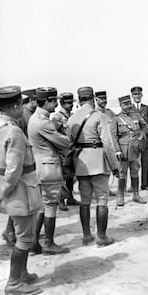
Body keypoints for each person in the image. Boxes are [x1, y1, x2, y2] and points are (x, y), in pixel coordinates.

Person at [0, 85, 43, 295]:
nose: (22, 108)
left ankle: (22, 274)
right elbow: (13, 171)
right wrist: (4, 192)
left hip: (15, 190)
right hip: (20, 191)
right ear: (15, 106)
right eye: (20, 105)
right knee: (24, 238)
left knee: (24, 235)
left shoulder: (0, 126)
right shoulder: (13, 131)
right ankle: (14, 283)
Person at [66, 87, 120, 247]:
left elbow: (69, 143)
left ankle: (86, 236)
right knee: (102, 199)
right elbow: (108, 144)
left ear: (79, 99)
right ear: (93, 98)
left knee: (85, 200)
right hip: (97, 162)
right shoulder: (99, 116)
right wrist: (115, 166)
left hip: (81, 163)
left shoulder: (72, 118)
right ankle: (101, 237)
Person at [28, 87, 70, 255]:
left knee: (42, 207)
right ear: (46, 102)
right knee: (51, 206)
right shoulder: (43, 121)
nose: (55, 104)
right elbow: (65, 142)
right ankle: (49, 243)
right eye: (53, 101)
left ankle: (34, 242)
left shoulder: (35, 118)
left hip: (40, 166)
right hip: (49, 167)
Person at [110, 95, 148, 206]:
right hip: (123, 151)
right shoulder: (116, 119)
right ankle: (120, 196)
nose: (127, 106)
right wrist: (117, 150)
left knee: (135, 171)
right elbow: (114, 137)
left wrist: (141, 138)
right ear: (120, 105)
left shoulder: (136, 115)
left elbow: (145, 127)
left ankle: (136, 195)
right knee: (122, 173)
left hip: (135, 150)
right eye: (125, 104)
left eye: (128, 103)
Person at [51, 92, 80, 211]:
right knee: (63, 177)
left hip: (72, 150)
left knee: (71, 176)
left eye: (71, 103)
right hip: (63, 152)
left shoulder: (72, 115)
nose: (70, 105)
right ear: (62, 103)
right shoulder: (57, 117)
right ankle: (61, 200)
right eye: (68, 103)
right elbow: (54, 135)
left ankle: (71, 198)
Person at [131, 86, 148, 191]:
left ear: (142, 95)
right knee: (133, 163)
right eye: (135, 94)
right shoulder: (129, 108)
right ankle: (133, 185)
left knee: (145, 162)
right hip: (134, 141)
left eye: (139, 94)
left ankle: (145, 184)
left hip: (145, 140)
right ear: (132, 96)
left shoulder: (146, 108)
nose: (137, 96)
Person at [95, 90, 117, 197]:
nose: (104, 101)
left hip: (110, 144)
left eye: (105, 99)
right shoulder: (94, 113)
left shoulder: (109, 113)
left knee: (107, 168)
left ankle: (106, 188)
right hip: (98, 145)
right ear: (96, 99)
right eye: (101, 99)